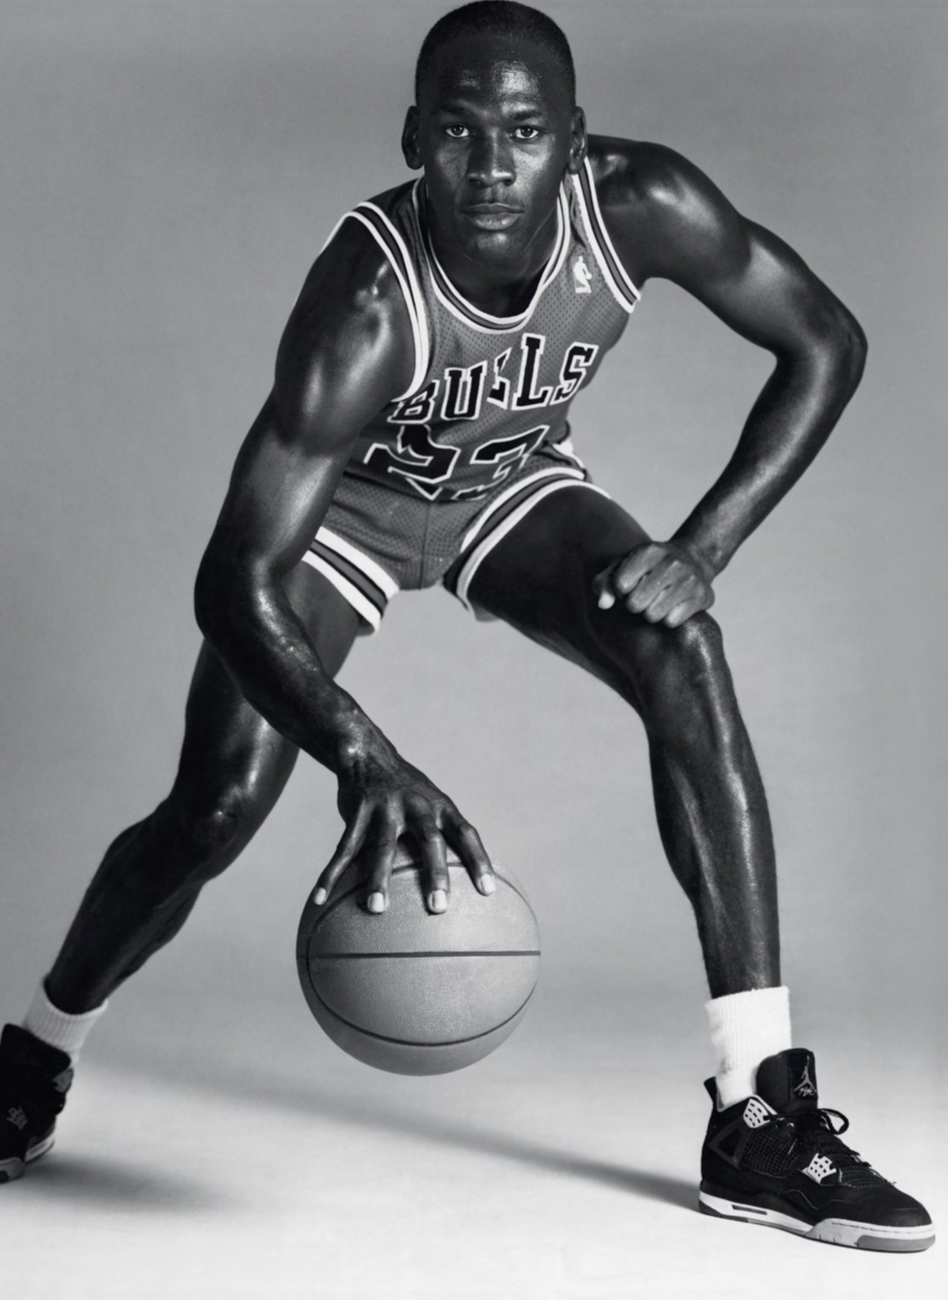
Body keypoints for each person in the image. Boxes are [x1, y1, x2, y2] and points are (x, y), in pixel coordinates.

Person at [0, 0, 933, 1252]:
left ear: (573, 142)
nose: (492, 168)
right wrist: (365, 753)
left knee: (683, 650)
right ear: (412, 140)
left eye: (525, 132)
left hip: (506, 491)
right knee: (216, 803)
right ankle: (35, 1053)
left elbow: (826, 340)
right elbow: (234, 581)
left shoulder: (642, 207)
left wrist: (701, 547)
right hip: (349, 514)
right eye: (457, 132)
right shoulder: (366, 303)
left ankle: (758, 1114)